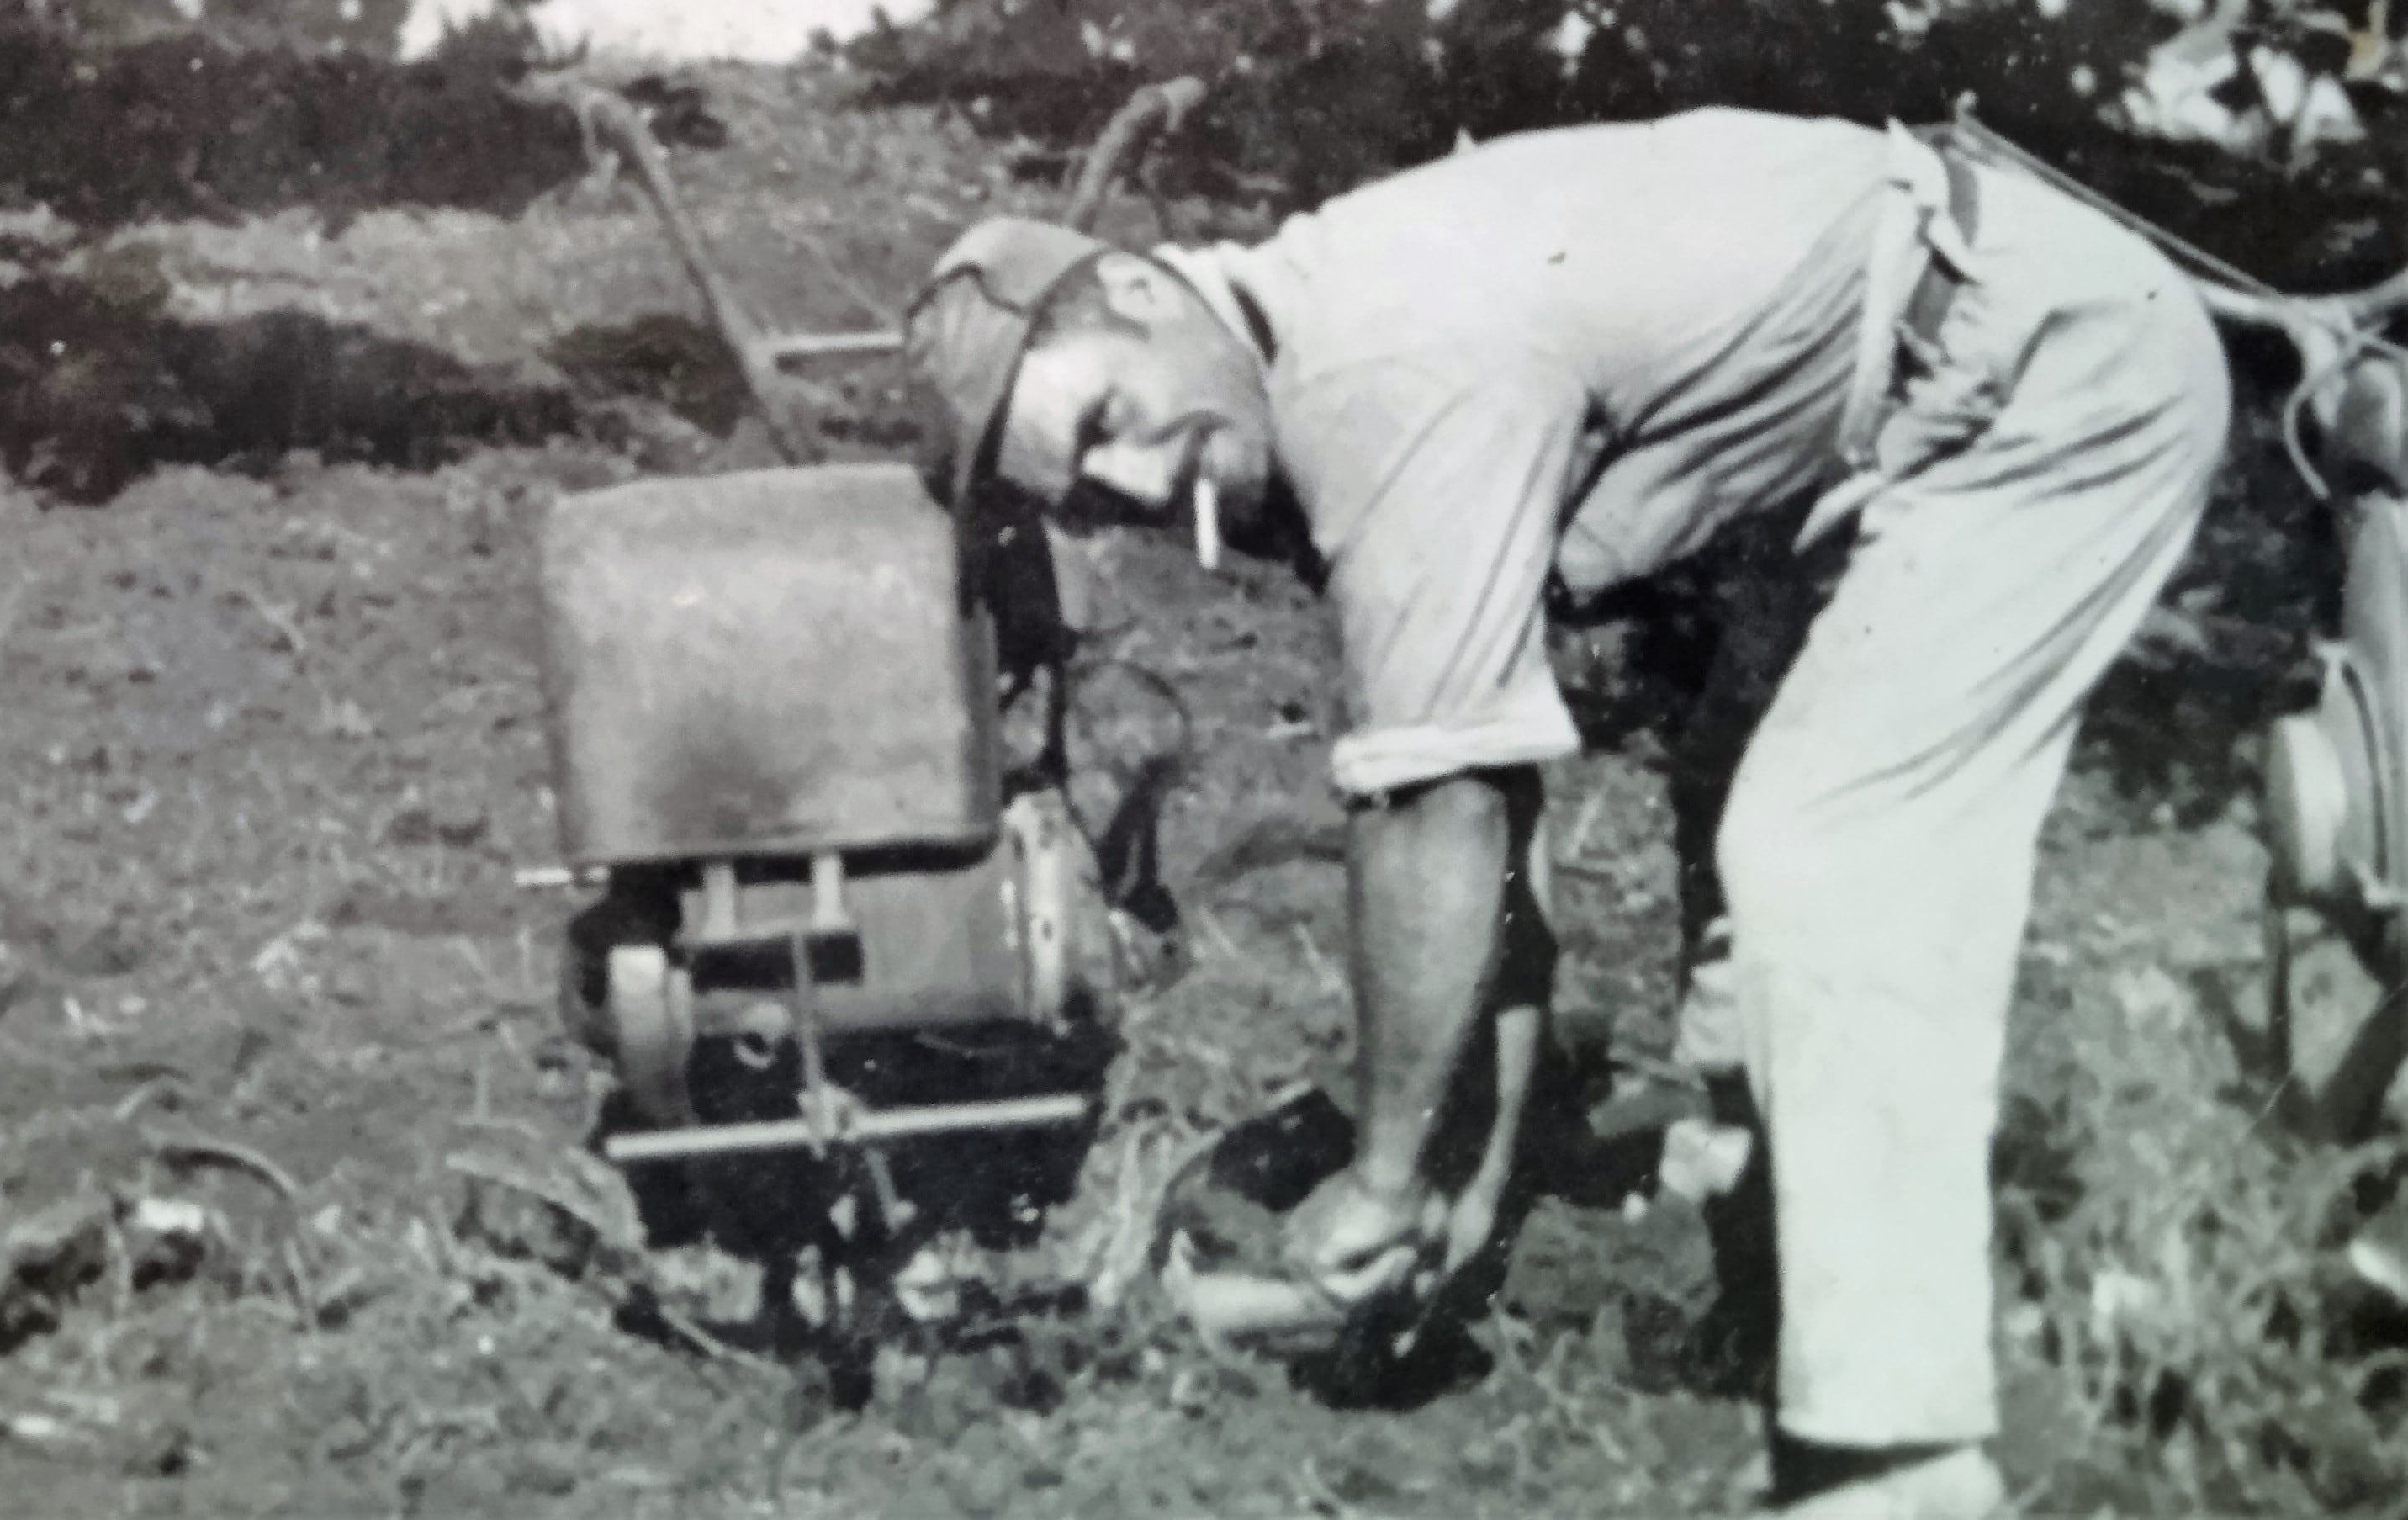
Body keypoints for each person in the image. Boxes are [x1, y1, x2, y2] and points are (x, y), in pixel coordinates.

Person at [903, 109, 2229, 1520]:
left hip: (2044, 372)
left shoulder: (1375, 371)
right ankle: (1774, 1317)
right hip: (1886, 419)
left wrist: (1381, 1178)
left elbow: (1439, 811)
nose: (1134, 484)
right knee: (1747, 869)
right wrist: (1463, 1182)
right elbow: (1494, 803)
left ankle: (1894, 1460)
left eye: (1105, 421)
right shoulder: (1292, 376)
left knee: (1821, 859)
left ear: (1142, 287)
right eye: (1087, 500)